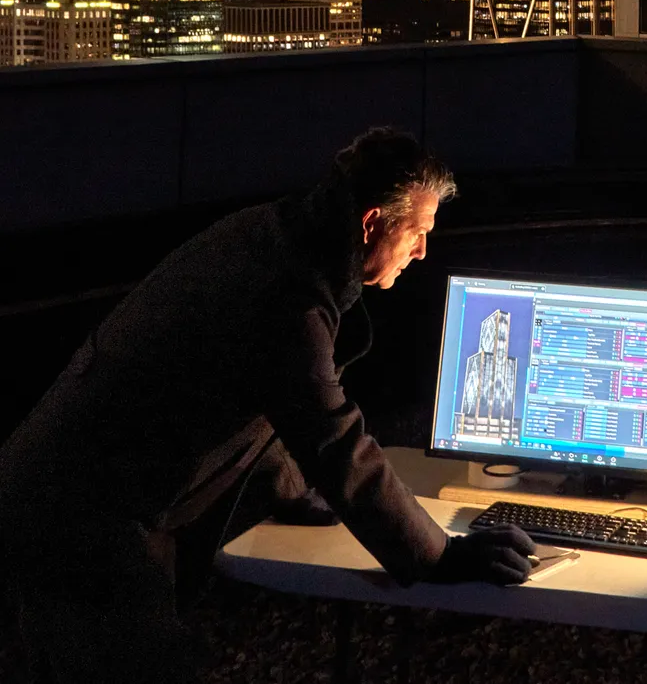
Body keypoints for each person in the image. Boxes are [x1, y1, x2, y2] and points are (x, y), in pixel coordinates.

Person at [0, 125, 535, 682]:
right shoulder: (290, 294)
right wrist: (437, 556)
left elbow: (273, 401)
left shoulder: (281, 240)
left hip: (78, 500)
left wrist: (293, 493)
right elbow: (331, 437)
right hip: (81, 516)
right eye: (418, 232)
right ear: (373, 222)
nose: (423, 251)